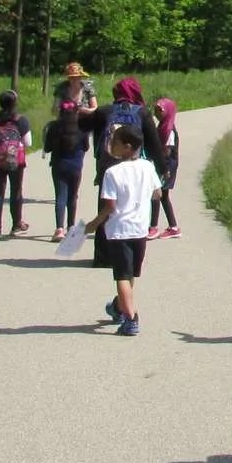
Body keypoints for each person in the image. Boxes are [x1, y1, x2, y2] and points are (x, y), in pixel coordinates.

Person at [85, 125, 161, 337]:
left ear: (127, 147)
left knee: (121, 276)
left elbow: (110, 206)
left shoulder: (112, 172)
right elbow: (157, 194)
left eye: (114, 141)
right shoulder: (148, 167)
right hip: (140, 229)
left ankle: (131, 318)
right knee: (129, 275)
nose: (110, 144)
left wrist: (93, 225)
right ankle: (119, 307)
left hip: (119, 230)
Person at [87, 78, 166, 267]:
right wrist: (163, 168)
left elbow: (97, 138)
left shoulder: (104, 111)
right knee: (131, 207)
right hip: (134, 165)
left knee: (106, 208)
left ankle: (102, 257)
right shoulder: (142, 113)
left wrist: (101, 160)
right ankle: (128, 256)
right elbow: (154, 144)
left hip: (108, 166)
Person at [0, 89, 33, 240]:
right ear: (15, 103)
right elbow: (28, 143)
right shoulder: (21, 120)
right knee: (16, 191)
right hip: (15, 160)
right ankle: (16, 225)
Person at [44, 100, 89, 242]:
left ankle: (59, 229)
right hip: (76, 166)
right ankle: (71, 227)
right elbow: (86, 147)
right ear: (77, 112)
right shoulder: (81, 128)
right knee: (73, 196)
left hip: (58, 165)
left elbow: (47, 148)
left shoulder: (54, 127)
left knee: (60, 197)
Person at [149, 97, 180, 240]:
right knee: (164, 196)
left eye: (159, 111)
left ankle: (153, 227)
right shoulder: (162, 126)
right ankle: (173, 227)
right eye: (155, 110)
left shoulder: (168, 130)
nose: (156, 113)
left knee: (156, 194)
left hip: (166, 166)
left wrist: (162, 168)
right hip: (162, 165)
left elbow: (167, 151)